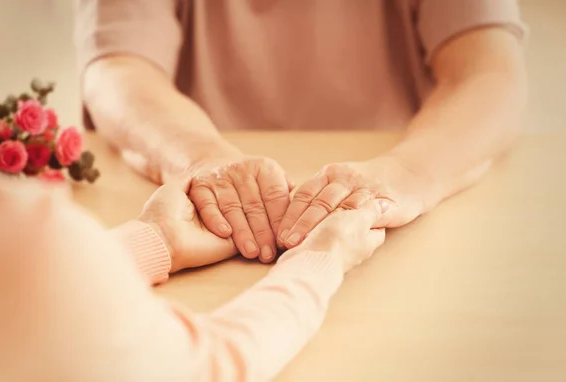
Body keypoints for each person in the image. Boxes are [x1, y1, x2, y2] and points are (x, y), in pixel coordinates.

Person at [74, 1, 528, 264]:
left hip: (398, 229)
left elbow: (490, 74)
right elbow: (120, 70)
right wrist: (201, 157)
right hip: (208, 223)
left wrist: (407, 173)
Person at [0, 160, 386, 381]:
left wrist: (156, 239)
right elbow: (207, 368)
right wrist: (320, 259)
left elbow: (14, 291)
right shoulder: (19, 228)